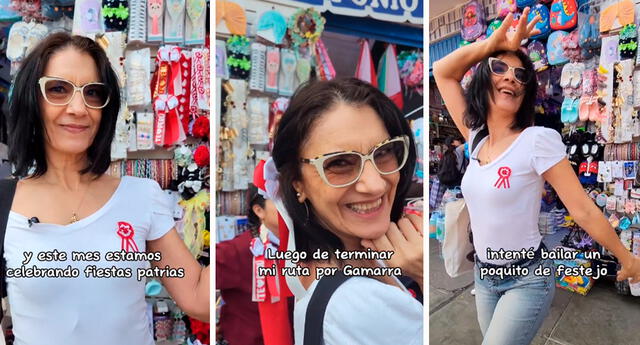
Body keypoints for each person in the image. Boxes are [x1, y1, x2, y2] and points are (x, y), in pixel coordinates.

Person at [433, 8, 640, 345]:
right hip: (484, 278)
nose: (511, 77)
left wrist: (626, 257)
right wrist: (489, 45)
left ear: (526, 91)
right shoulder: (476, 137)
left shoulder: (537, 141)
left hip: (527, 279)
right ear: (483, 79)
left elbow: (583, 209)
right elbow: (443, 72)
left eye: (520, 75)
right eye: (499, 69)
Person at [4, 33, 209, 344]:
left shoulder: (141, 196)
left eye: (94, 93)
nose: (78, 107)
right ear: (32, 100)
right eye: (58, 89)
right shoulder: (4, 204)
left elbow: (196, 295)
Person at [270, 77, 423, 344]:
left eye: (384, 151)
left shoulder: (356, 264)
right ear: (298, 184)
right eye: (339, 163)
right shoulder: (358, 302)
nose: (374, 184)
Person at [217, 184, 290, 345]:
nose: (290, 206)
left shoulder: (305, 245)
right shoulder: (238, 251)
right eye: (280, 200)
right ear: (259, 211)